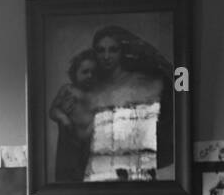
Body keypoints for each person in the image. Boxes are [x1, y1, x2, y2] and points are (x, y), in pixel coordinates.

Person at [85, 25, 174, 182]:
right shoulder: (91, 88)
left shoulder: (144, 83)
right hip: (100, 175)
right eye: (101, 50)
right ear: (95, 53)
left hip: (143, 171)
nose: (106, 56)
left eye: (113, 50)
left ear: (122, 52)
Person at [48, 49, 100, 183]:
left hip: (89, 141)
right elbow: (53, 110)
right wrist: (63, 118)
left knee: (87, 172)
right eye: (85, 72)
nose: (90, 75)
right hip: (69, 141)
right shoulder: (68, 90)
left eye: (94, 73)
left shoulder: (97, 94)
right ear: (74, 73)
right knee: (68, 172)